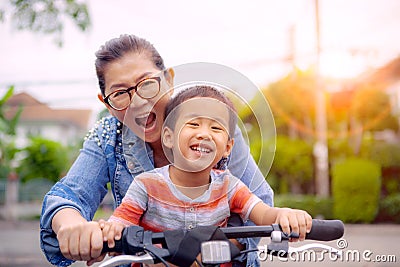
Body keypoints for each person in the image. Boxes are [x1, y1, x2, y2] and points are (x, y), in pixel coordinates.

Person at [40, 34, 274, 267]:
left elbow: (259, 203)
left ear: (169, 80)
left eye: (147, 83)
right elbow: (70, 195)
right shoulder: (108, 136)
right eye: (120, 93)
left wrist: (199, 256)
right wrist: (72, 225)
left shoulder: (213, 124)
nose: (138, 102)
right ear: (107, 104)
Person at [100, 85, 312, 266]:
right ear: (168, 137)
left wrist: (284, 215)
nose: (204, 133)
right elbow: (120, 223)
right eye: (193, 124)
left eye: (216, 127)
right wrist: (109, 232)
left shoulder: (230, 187)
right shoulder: (146, 185)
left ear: (228, 147)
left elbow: (264, 215)